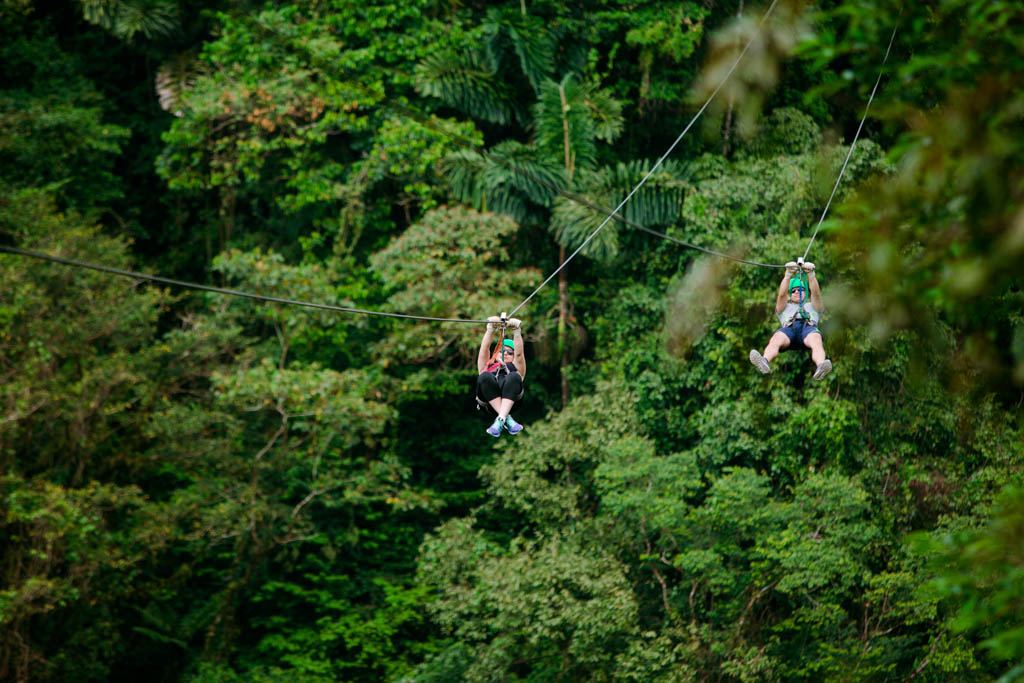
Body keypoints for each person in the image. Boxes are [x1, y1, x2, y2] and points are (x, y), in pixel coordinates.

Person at [749, 261, 832, 380]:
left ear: (806, 292)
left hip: (808, 329)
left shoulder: (813, 306)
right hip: (789, 330)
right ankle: (764, 360)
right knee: (777, 338)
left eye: (801, 289)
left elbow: (816, 294)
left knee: (816, 339)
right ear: (790, 294)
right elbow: (781, 295)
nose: (797, 292)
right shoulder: (784, 307)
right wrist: (788, 275)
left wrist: (811, 275)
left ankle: (821, 366)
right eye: (793, 290)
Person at [476, 315, 526, 437]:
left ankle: (502, 417)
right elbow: (484, 350)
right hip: (488, 403)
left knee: (514, 376)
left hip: (512, 402)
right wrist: (490, 329)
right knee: (484, 376)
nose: (505, 353)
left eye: (510, 352)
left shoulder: (517, 368)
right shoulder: (487, 365)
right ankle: (505, 418)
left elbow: (519, 355)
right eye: (502, 351)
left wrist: (517, 332)